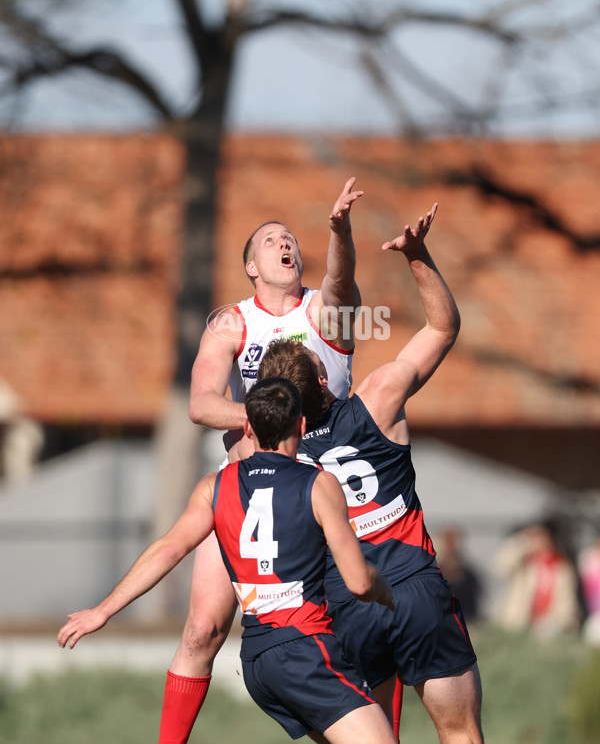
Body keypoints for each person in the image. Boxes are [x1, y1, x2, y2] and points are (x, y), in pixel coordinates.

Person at [58, 377, 398, 744]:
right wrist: (385, 591)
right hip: (304, 651)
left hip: (257, 661)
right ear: (301, 425)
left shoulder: (214, 486)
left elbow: (168, 549)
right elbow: (359, 582)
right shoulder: (319, 484)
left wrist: (103, 610)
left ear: (248, 427)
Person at [256, 204, 485, 744]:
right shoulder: (377, 398)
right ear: (320, 374)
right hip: (413, 586)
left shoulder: (273, 459)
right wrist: (418, 255)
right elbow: (443, 327)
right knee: (460, 733)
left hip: (348, 602)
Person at [160, 178, 364, 744]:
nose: (286, 244)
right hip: (250, 491)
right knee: (202, 629)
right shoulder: (231, 323)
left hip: (327, 488)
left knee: (361, 628)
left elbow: (343, 280)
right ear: (252, 264)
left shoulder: (325, 309)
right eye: (272, 239)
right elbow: (201, 404)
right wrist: (262, 418)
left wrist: (338, 230)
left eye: (293, 238)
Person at [494, 519, 581, 638]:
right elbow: (501, 564)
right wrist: (523, 542)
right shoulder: (524, 564)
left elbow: (567, 600)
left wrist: (565, 622)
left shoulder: (562, 566)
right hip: (519, 622)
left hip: (549, 627)